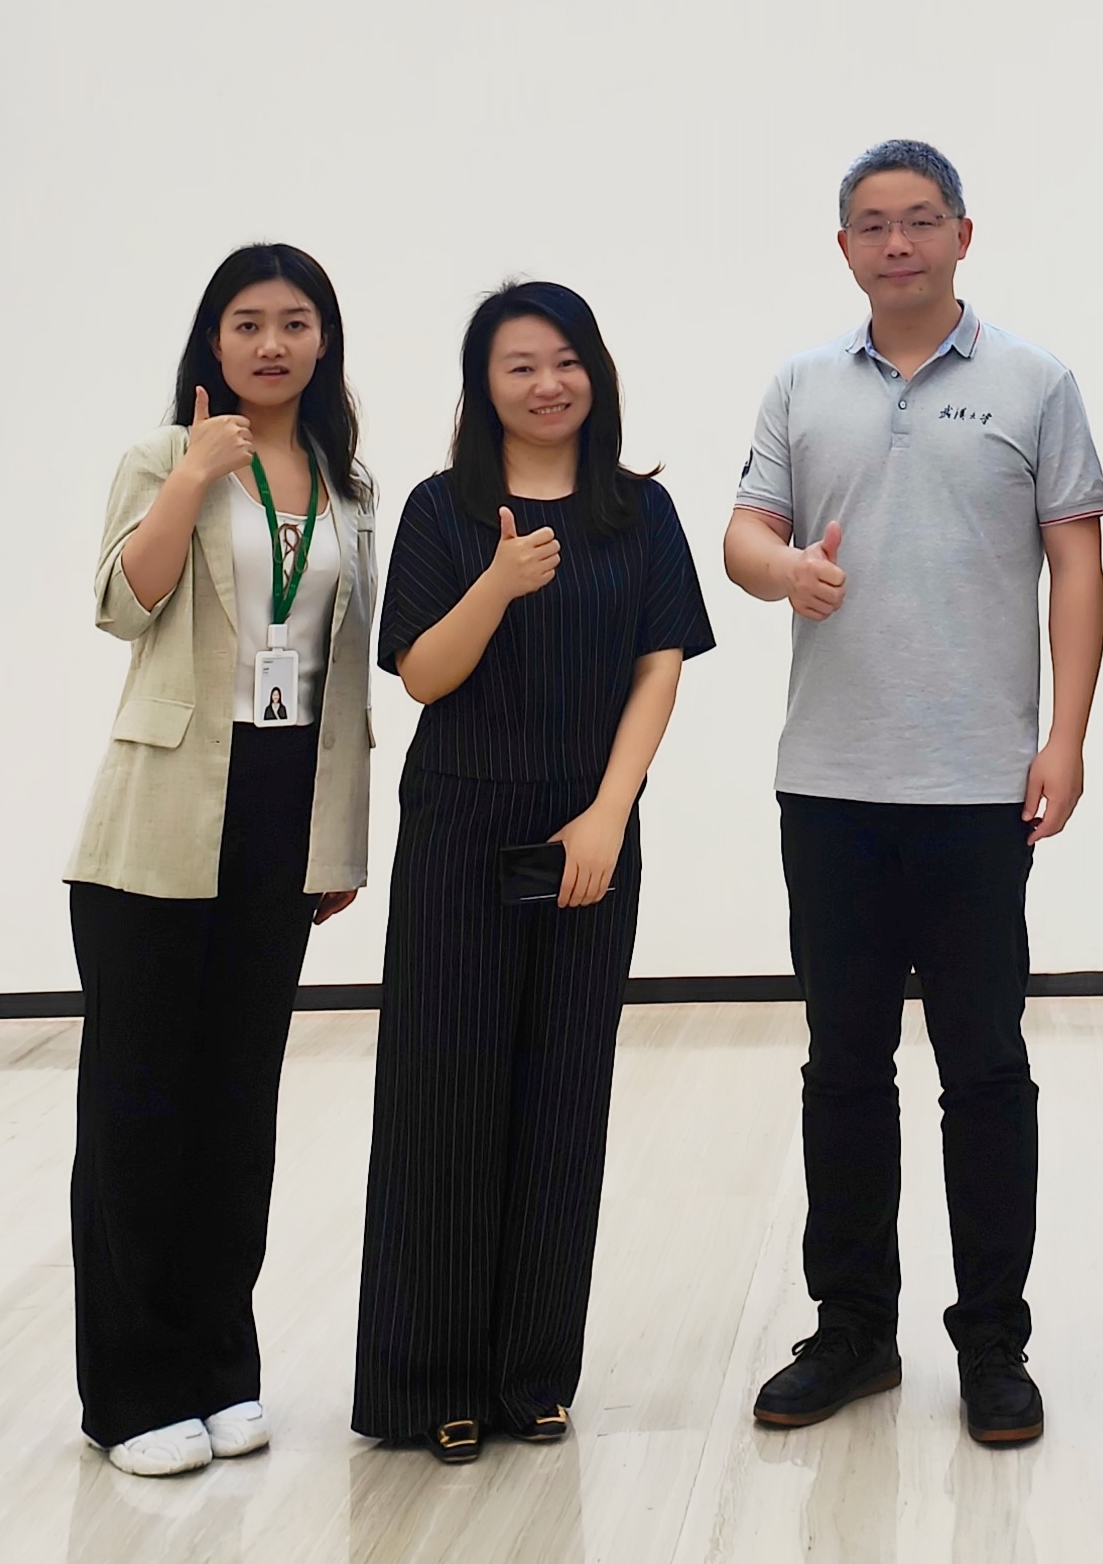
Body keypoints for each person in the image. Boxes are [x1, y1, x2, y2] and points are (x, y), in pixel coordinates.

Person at [724, 139, 1103, 1450]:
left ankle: (993, 1343)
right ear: (846, 248)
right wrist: (783, 572)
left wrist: (1065, 737)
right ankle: (852, 1331)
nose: (899, 244)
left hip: (975, 790)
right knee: (842, 1068)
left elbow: (1077, 564)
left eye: (922, 221)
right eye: (875, 226)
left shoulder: (1034, 381)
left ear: (962, 234)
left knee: (985, 1069)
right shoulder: (801, 384)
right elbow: (742, 533)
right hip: (830, 784)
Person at [352, 281, 715, 1461]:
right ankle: (430, 1383)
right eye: (520, 365)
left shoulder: (638, 513)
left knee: (563, 1097)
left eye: (566, 360)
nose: (549, 383)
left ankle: (532, 1376)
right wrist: (498, 585)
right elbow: (422, 676)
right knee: (444, 1097)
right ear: (483, 387)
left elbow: (660, 665)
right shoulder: (441, 510)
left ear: (594, 372)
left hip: (589, 827)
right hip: (461, 823)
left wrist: (609, 813)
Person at [65, 242, 379, 1480]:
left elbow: (341, 677)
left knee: (238, 1108)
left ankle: (218, 1370)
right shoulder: (164, 456)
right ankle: (131, 1395)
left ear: (322, 339)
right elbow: (121, 605)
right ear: (213, 340)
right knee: (139, 1109)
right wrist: (195, 476)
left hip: (285, 804)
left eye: (294, 322)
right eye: (246, 323)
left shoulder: (346, 482)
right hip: (163, 810)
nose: (271, 344)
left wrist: (336, 837)